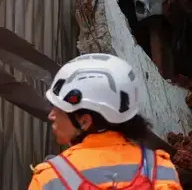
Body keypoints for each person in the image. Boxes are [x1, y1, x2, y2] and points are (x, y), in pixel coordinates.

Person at [28, 54, 182, 189]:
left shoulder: (50, 179)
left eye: (59, 109)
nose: (51, 115)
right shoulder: (161, 171)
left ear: (84, 121)